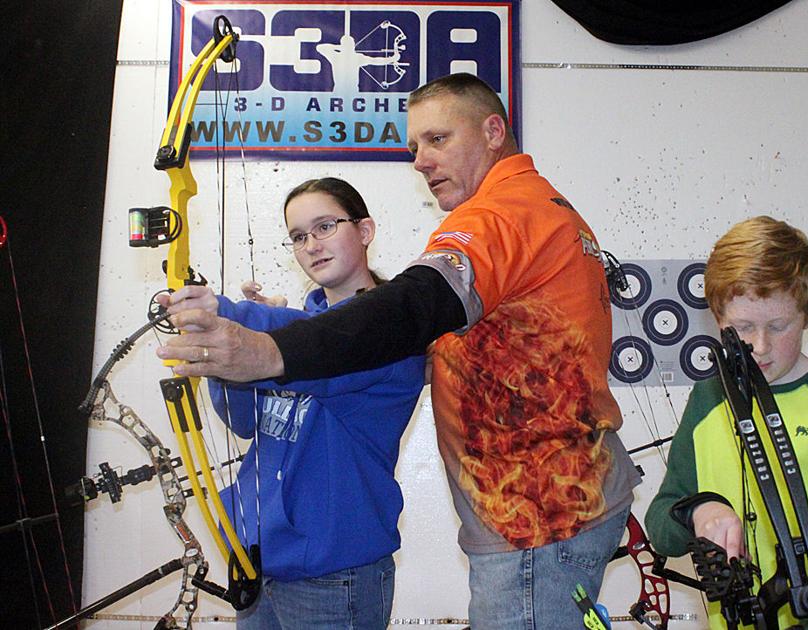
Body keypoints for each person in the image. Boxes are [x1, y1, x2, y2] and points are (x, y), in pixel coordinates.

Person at [157, 73, 640, 628]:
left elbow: (409, 308)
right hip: (541, 504)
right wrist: (252, 335)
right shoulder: (536, 208)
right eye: (414, 146)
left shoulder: (502, 214)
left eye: (438, 139)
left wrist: (261, 342)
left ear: (492, 131)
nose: (420, 161)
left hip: (540, 509)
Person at [181, 178, 426, 628]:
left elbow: (331, 345)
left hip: (333, 574)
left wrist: (232, 316)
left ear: (365, 230)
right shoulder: (295, 332)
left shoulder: (392, 335)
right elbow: (243, 422)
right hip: (260, 561)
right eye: (298, 236)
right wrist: (230, 356)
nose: (311, 245)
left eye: (325, 226)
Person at [644, 216, 808, 629]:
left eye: (779, 326)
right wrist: (700, 510)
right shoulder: (709, 398)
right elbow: (661, 524)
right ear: (718, 318)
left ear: (807, 316)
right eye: (743, 327)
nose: (760, 346)